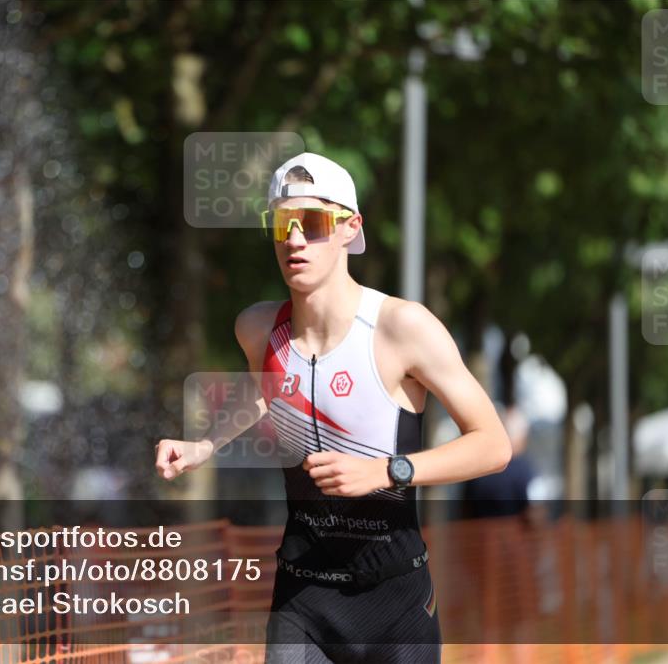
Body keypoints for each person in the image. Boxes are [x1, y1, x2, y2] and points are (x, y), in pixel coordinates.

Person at [155, 152, 512, 663]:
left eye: (314, 222)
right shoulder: (258, 329)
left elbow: (493, 445)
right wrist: (205, 445)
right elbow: (268, 388)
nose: (295, 239)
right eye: (282, 224)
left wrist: (387, 470)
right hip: (302, 598)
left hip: (394, 602)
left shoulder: (402, 328)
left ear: (350, 228)